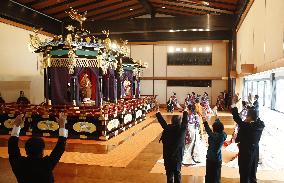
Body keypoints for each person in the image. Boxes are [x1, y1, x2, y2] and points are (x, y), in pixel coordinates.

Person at [8, 113, 68, 183]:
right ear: (42, 152)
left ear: (26, 151)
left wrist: (16, 125)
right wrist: (62, 125)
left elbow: (12, 146)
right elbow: (60, 148)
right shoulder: (46, 163)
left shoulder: (18, 163)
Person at [231, 97, 265, 183]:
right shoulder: (260, 125)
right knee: (253, 172)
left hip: (246, 151)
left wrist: (233, 103)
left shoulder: (247, 126)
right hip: (255, 151)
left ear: (249, 117)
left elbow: (236, 118)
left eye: (247, 115)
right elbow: (255, 117)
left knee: (244, 172)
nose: (245, 117)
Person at [156, 107, 188, 183]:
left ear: (172, 121)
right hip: (177, 157)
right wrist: (185, 112)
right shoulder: (182, 130)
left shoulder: (167, 128)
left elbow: (162, 123)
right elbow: (185, 122)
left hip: (167, 156)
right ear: (179, 122)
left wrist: (158, 113)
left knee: (169, 175)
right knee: (177, 174)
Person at [202, 109, 227, 183]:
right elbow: (218, 126)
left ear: (214, 129)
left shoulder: (213, 136)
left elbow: (208, 130)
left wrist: (204, 121)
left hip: (210, 157)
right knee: (216, 175)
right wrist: (216, 116)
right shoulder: (223, 135)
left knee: (209, 175)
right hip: (218, 158)